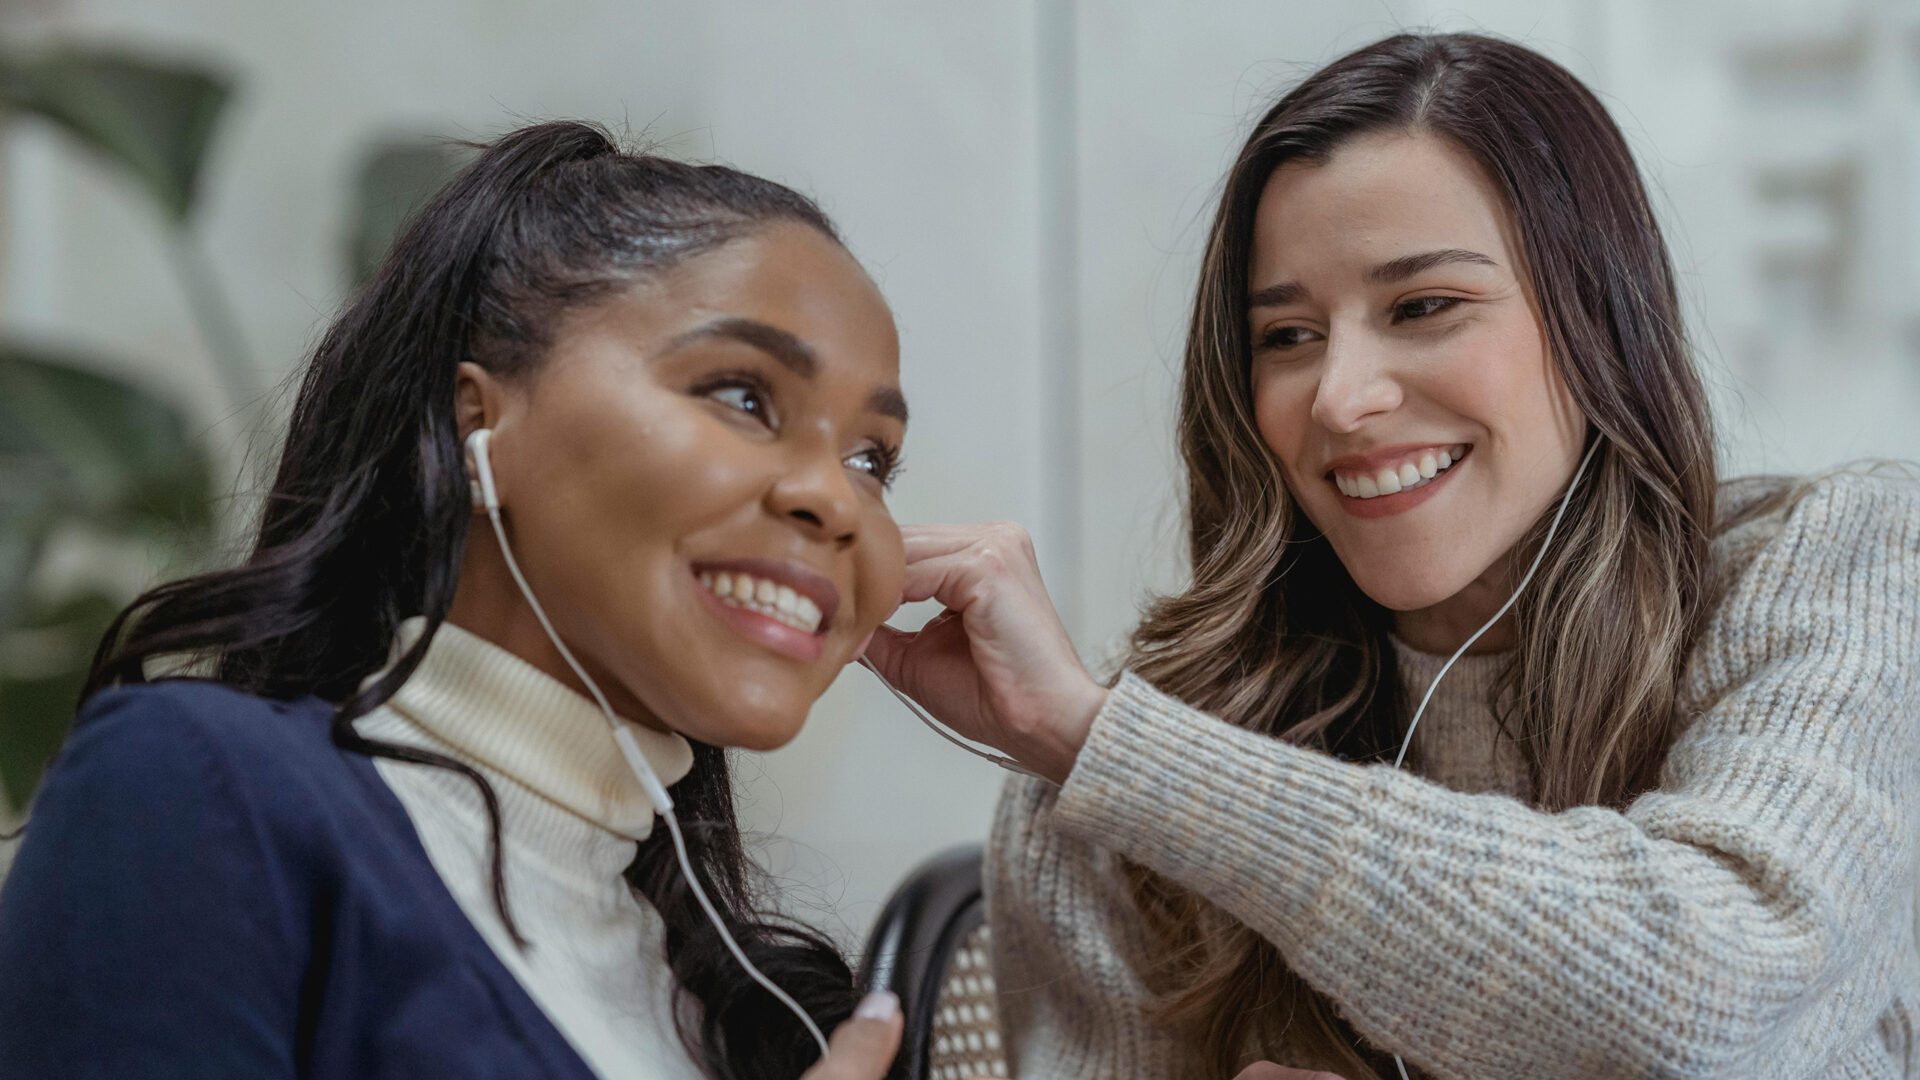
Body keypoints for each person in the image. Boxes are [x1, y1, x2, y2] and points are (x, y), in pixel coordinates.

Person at [865, 33, 1920, 1080]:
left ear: (1599, 316)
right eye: (1286, 336)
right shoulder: (1102, 800)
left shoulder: (1842, 567)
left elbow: (1706, 998)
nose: (1339, 396)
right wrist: (1103, 757)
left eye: (1423, 308)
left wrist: (1109, 747)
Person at [0, 121, 921, 1080]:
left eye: (872, 459)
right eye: (742, 396)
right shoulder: (204, 793)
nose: (832, 497)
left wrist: (1063, 739)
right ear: (479, 419)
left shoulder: (766, 1016)